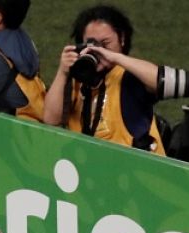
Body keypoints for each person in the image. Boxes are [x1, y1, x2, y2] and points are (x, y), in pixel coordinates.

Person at [42, 5, 166, 154]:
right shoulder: (79, 78)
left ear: (122, 39)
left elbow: (161, 80)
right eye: (91, 43)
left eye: (106, 44)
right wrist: (63, 72)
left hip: (133, 170)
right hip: (90, 166)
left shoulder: (129, 75)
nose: (99, 50)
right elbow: (50, 119)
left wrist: (115, 57)